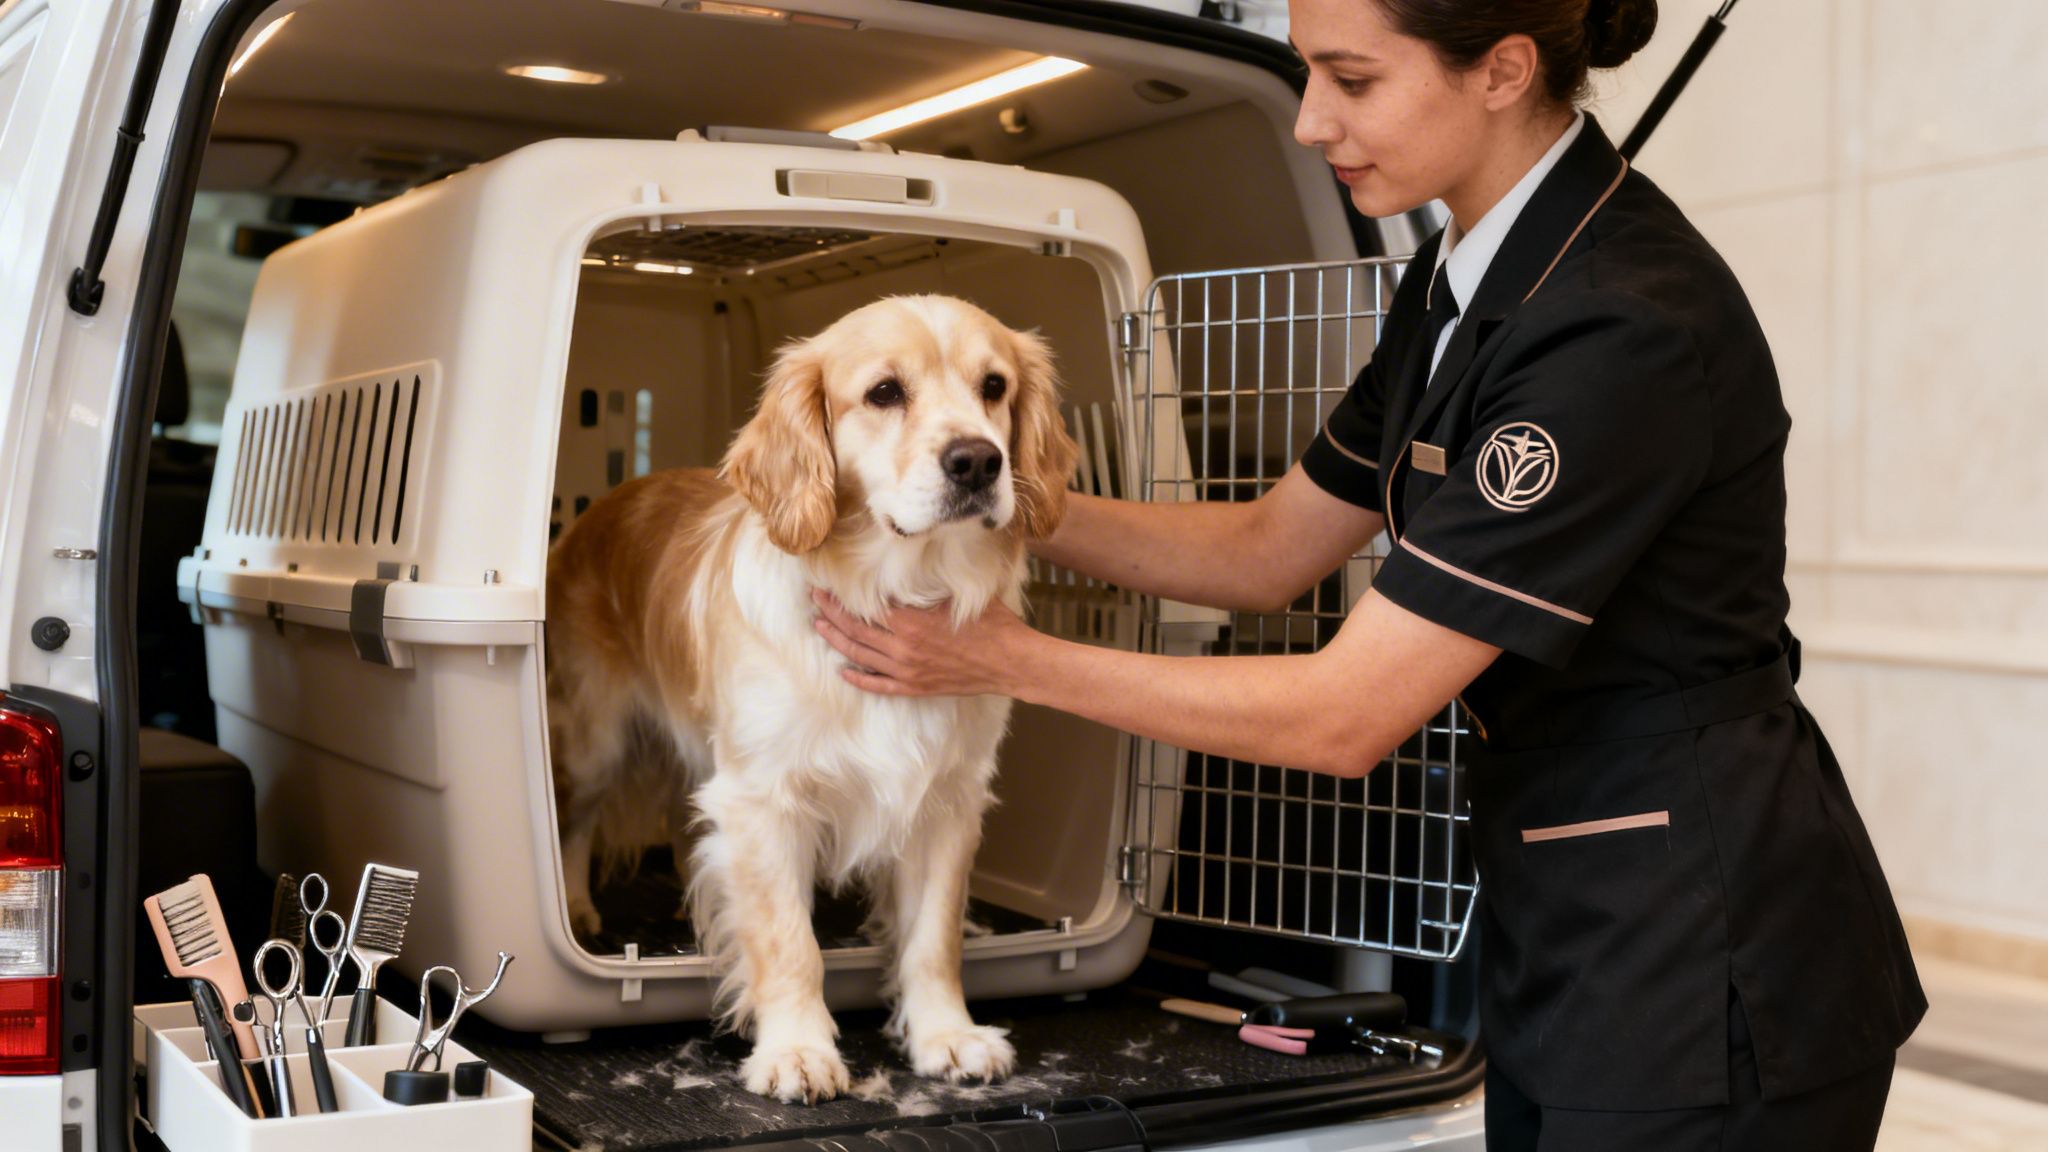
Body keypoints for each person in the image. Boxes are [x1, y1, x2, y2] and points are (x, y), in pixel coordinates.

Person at [810, 0, 1926, 1146]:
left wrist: (1002, 658)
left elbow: (1341, 716)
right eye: (1303, 75)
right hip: (1571, 926)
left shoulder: (1616, 328)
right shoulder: (1456, 280)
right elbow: (1263, 552)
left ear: (1500, 70)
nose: (1307, 121)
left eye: (1349, 79)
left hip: (1707, 951)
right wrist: (979, 494)